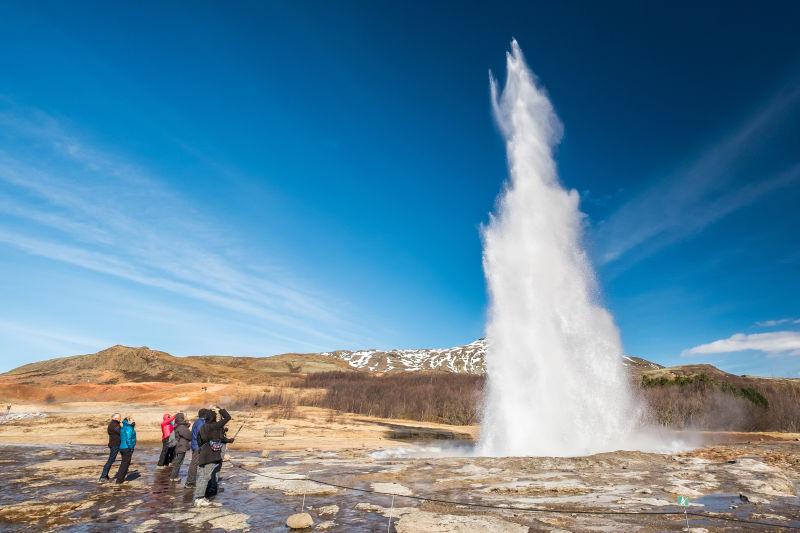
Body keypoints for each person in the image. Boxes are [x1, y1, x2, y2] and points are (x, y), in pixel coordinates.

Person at [193, 406, 233, 506]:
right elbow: (228, 417)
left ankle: (199, 498)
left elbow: (199, 440)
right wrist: (221, 409)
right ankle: (200, 498)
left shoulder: (203, 427)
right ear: (213, 417)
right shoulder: (214, 426)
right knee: (206, 476)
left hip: (202, 453)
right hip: (211, 455)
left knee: (202, 476)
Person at [185, 408, 207, 488]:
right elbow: (201, 435)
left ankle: (192, 482)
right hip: (198, 446)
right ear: (205, 415)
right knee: (194, 464)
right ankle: (190, 482)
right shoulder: (201, 423)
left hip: (196, 445)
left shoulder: (198, 422)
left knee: (195, 463)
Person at [99, 413, 122, 482]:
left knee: (112, 460)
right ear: (115, 418)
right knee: (111, 460)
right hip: (115, 445)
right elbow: (120, 432)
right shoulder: (113, 425)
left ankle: (105, 475)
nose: (120, 419)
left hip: (115, 444)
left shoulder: (114, 424)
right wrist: (123, 426)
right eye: (119, 418)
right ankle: (103, 476)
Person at [169, 412, 192, 481]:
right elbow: (189, 435)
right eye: (184, 417)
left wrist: (187, 425)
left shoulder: (179, 425)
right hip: (181, 447)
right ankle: (173, 477)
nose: (185, 418)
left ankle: (173, 476)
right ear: (181, 418)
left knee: (178, 462)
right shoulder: (181, 427)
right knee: (178, 462)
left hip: (179, 446)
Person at [114, 416, 136, 484]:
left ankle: (120, 479)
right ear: (128, 421)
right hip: (127, 448)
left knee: (124, 463)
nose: (133, 421)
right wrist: (131, 448)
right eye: (132, 420)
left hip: (122, 448)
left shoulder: (124, 427)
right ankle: (119, 480)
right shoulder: (129, 428)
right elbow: (128, 439)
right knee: (125, 464)